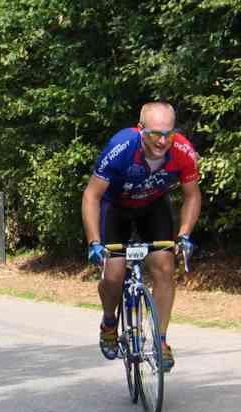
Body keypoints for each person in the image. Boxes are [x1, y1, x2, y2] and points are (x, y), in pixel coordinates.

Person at [81, 101, 201, 372]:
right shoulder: (120, 148)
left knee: (165, 267)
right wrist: (94, 242)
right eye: (154, 134)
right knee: (113, 275)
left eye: (168, 133)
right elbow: (91, 196)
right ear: (140, 129)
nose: (162, 141)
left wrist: (184, 234)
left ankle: (160, 341)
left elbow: (192, 195)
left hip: (153, 206)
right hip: (116, 208)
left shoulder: (182, 151)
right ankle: (110, 322)